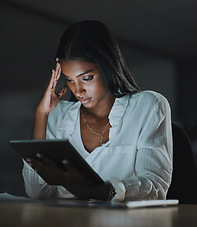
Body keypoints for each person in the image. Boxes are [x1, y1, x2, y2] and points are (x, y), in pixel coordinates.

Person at [22, 20, 173, 202]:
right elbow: (36, 192)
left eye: (86, 78)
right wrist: (41, 115)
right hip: (66, 226)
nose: (78, 91)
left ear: (108, 67)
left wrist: (95, 190)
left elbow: (155, 186)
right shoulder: (57, 114)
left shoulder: (147, 106)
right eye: (69, 80)